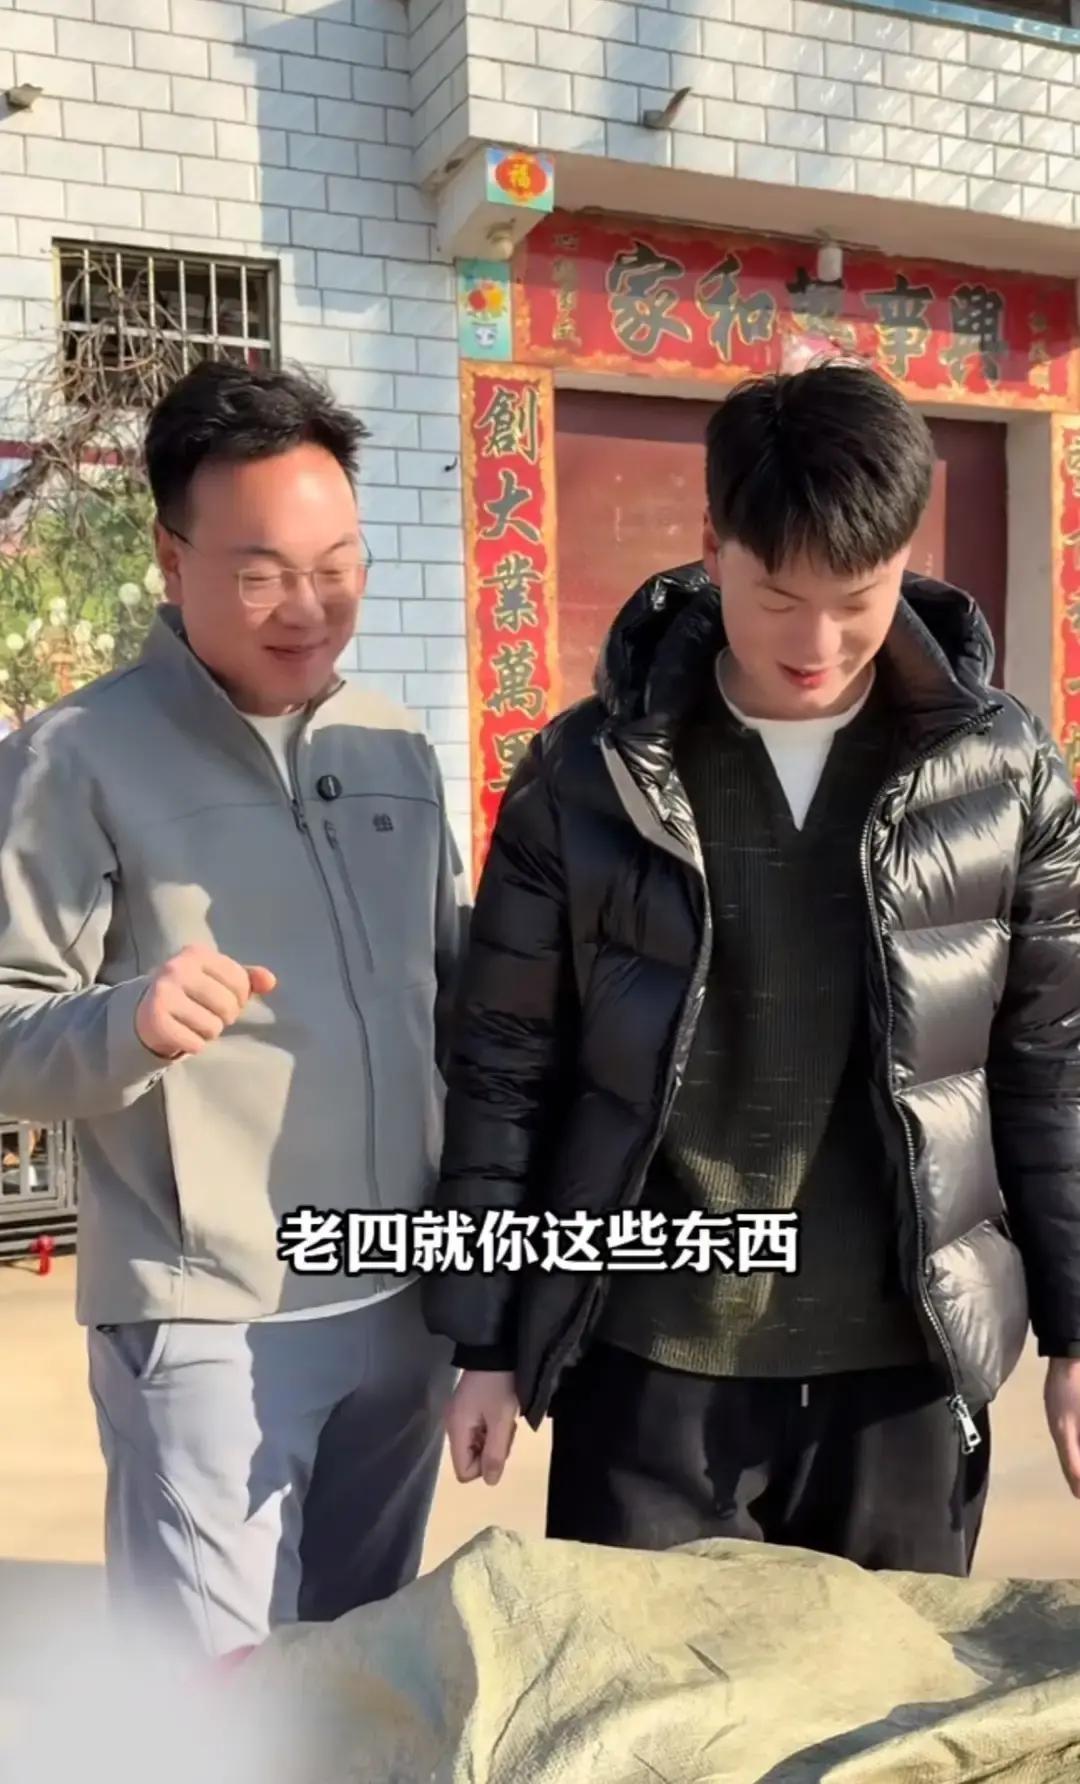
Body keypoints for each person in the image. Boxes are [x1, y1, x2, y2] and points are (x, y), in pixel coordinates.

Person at [423, 360, 1080, 1577]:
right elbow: (505, 1061)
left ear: (906, 555)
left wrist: (1077, 1332)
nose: (816, 642)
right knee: (649, 1690)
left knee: (882, 1692)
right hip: (648, 1358)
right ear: (710, 544)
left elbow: (1051, 1061)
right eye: (777, 596)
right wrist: (485, 1339)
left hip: (903, 1367)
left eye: (858, 597)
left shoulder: (1003, 772)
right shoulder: (587, 775)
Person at [0, 361, 466, 1654]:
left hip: (401, 1304)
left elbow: (452, 996)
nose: (308, 608)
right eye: (261, 572)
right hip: (206, 1322)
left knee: (364, 1673)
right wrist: (129, 1022)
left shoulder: (391, 746)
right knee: (216, 1699)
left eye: (338, 564)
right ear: (171, 556)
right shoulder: (72, 760)